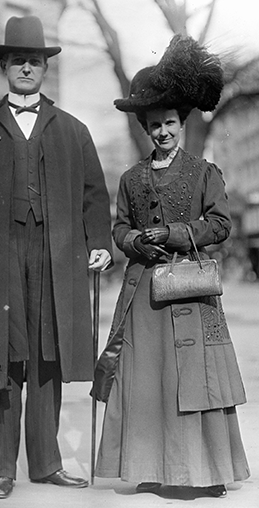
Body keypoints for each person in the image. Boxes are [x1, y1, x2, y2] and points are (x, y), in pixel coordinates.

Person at [0, 15, 112, 499]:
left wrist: (98, 241)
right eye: (18, 62)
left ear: (45, 70)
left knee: (47, 356)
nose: (27, 69)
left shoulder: (73, 131)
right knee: (3, 356)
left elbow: (95, 196)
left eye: (34, 62)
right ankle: (3, 468)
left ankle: (47, 463)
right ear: (5, 69)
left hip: (56, 257)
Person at [93, 34, 250, 498]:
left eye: (169, 123)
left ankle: (206, 470)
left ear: (181, 123)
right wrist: (136, 239)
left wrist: (177, 233)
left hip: (191, 290)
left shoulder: (205, 173)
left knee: (195, 378)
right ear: (145, 128)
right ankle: (150, 464)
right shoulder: (130, 179)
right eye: (154, 125)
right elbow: (118, 230)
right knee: (147, 379)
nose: (162, 132)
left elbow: (221, 225)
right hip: (144, 294)